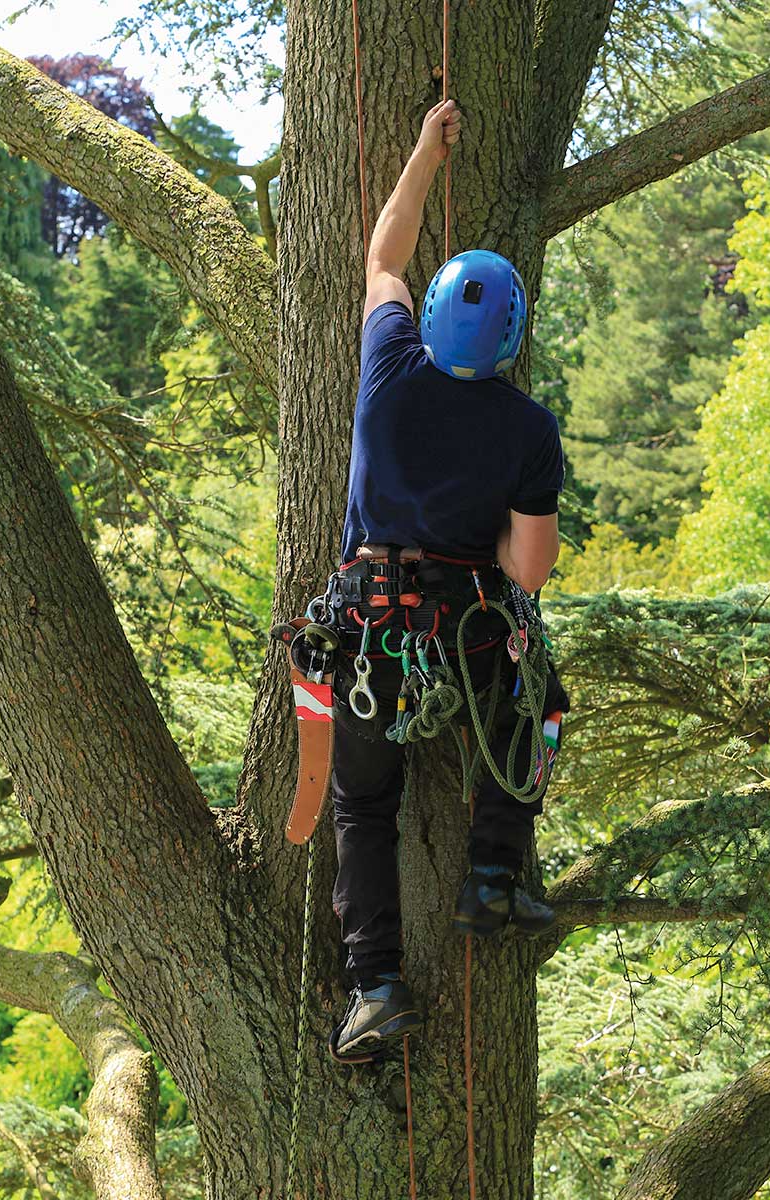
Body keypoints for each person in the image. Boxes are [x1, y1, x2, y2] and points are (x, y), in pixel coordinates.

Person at [328, 99, 566, 1063]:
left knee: (365, 805)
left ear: (429, 320)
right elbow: (529, 571)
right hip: (466, 633)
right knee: (539, 703)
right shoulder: (527, 428)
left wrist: (425, 153)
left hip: (370, 630)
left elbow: (385, 256)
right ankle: (492, 879)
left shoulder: (385, 366)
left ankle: (375, 988)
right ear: (512, 339)